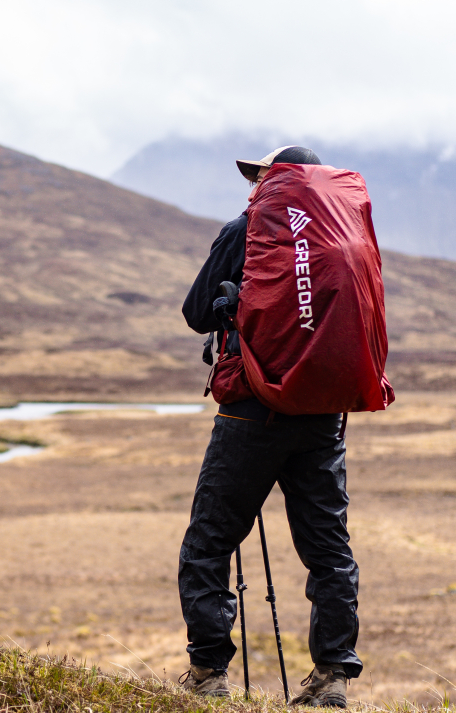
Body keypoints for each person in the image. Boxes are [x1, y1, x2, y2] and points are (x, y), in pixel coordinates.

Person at [176, 145, 361, 708]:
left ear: (272, 181)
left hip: (251, 413)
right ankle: (332, 676)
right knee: (328, 549)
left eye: (259, 178)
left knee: (208, 541)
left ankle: (208, 673)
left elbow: (195, 313)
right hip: (321, 417)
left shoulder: (246, 229)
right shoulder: (343, 239)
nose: (254, 187)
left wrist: (233, 302)